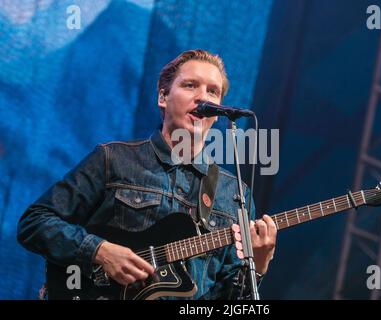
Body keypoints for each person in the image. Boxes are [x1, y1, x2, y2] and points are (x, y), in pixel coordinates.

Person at [17, 49, 277, 300]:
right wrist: (99, 251)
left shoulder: (235, 195)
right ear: (163, 96)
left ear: (219, 112)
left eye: (212, 91)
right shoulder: (114, 159)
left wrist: (259, 264)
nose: (203, 98)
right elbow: (35, 223)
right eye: (190, 85)